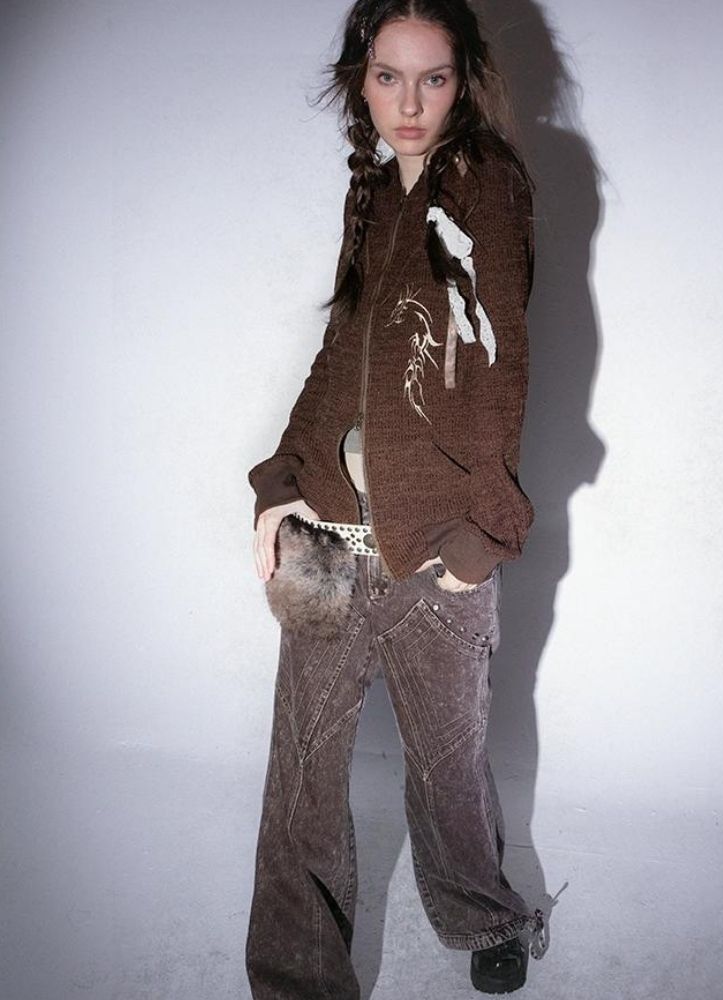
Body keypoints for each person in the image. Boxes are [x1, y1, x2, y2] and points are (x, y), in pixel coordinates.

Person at [244, 2, 545, 996]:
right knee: (300, 776)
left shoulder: (486, 185)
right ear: (359, 81)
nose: (409, 103)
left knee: (449, 766)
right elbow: (338, 353)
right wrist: (282, 484)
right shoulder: (371, 194)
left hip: (438, 546)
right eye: (388, 77)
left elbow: (503, 368)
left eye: (433, 78)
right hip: (328, 538)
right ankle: (296, 981)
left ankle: (485, 913)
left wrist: (481, 537)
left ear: (464, 82)